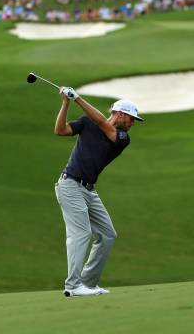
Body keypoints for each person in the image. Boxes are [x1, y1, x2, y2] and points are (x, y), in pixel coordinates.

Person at [54, 87, 144, 297]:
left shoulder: (122, 137)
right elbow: (60, 130)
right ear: (120, 114)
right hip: (70, 185)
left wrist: (77, 98)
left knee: (107, 234)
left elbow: (103, 123)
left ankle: (88, 283)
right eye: (131, 119)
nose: (132, 124)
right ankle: (73, 285)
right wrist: (66, 103)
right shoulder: (87, 122)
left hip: (89, 190)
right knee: (81, 233)